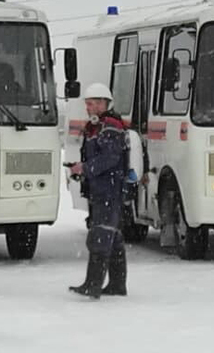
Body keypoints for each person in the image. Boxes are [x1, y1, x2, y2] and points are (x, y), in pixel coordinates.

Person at [69, 83, 128, 299]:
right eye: (87, 104)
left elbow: (110, 158)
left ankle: (93, 284)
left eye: (92, 104)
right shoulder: (98, 126)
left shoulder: (109, 127)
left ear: (104, 103)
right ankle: (116, 284)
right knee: (113, 236)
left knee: (101, 235)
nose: (88, 108)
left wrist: (85, 168)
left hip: (108, 188)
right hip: (103, 187)